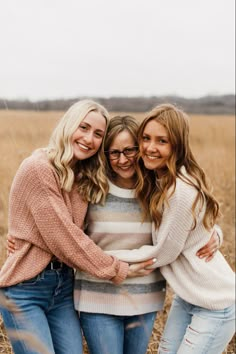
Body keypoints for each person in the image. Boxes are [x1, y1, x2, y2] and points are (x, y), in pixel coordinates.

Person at [0, 100, 153, 354]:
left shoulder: (84, 175)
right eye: (83, 127)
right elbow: (65, 238)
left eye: (98, 135)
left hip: (62, 289)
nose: (89, 139)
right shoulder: (39, 168)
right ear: (68, 125)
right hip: (25, 290)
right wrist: (117, 269)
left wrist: (210, 232)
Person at [73, 115, 224, 354]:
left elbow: (190, 218)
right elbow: (67, 237)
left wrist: (214, 233)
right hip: (98, 299)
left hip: (145, 300)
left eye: (130, 150)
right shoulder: (91, 188)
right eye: (113, 153)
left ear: (141, 149)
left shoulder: (159, 188)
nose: (122, 160)